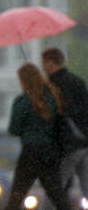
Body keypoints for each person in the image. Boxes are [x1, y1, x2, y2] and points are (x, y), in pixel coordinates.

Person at [4, 63, 72, 210]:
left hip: (30, 153)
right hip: (50, 153)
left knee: (16, 197)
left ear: (23, 80)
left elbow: (14, 129)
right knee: (59, 197)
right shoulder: (53, 98)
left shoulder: (22, 101)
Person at [42, 47, 88, 196]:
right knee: (85, 184)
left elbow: (56, 115)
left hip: (67, 145)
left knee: (55, 189)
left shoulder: (52, 86)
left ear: (50, 63)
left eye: (43, 63)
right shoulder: (78, 82)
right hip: (84, 142)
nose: (43, 67)